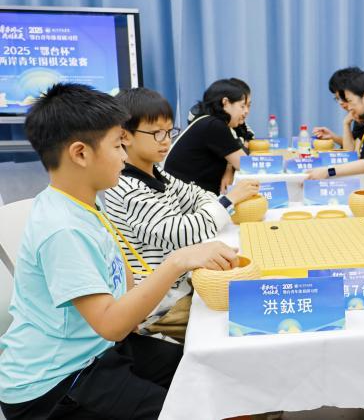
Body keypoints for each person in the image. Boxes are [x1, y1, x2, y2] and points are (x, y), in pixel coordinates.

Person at [0, 84, 238, 419]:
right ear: (81, 154)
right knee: (188, 409)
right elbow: (112, 325)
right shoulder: (62, 228)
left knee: (203, 370)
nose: (125, 157)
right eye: (117, 146)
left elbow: (121, 285)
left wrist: (136, 307)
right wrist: (177, 261)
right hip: (55, 383)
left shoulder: (85, 202)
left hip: (100, 348)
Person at [105, 88, 259, 340]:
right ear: (125, 136)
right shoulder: (126, 188)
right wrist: (227, 201)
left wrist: (211, 209)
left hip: (180, 286)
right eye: (157, 133)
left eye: (169, 131)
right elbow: (182, 233)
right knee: (235, 318)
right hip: (159, 305)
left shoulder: (158, 174)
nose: (166, 140)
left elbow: (198, 195)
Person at [164, 78, 252, 194]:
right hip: (185, 198)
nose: (246, 111)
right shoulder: (214, 126)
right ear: (225, 103)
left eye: (248, 106)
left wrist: (229, 169)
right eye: (242, 106)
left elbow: (239, 154)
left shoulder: (209, 121)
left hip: (189, 193)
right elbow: (246, 164)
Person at [312, 66, 364, 150]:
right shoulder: (357, 115)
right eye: (337, 99)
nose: (341, 102)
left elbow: (354, 152)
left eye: (343, 97)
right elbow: (353, 148)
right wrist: (333, 136)